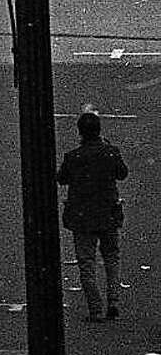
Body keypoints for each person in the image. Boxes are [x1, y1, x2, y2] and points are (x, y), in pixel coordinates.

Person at [57, 111, 128, 323]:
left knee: (86, 262)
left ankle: (95, 308)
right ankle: (113, 301)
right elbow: (122, 173)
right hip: (107, 213)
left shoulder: (74, 157)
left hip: (83, 217)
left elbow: (62, 178)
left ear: (80, 132)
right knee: (111, 258)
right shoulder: (110, 153)